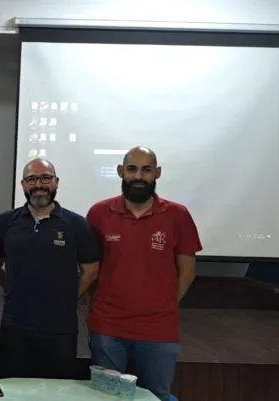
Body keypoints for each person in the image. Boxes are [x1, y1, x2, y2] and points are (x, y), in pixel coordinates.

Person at [85, 146, 201, 401]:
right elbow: (89, 269)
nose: (139, 176)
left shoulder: (177, 215)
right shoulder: (98, 214)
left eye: (146, 170)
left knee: (157, 396)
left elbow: (188, 270)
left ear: (157, 173)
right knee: (105, 397)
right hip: (108, 326)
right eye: (132, 169)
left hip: (159, 328)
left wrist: (164, 304)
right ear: (120, 171)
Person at [0, 158, 100, 379]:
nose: (39, 185)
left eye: (45, 178)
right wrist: (12, 286)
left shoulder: (77, 225)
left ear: (56, 182)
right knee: (15, 391)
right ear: (23, 184)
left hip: (60, 331)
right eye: (32, 179)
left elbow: (91, 272)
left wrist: (67, 297)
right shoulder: (5, 222)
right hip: (15, 329)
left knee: (57, 392)